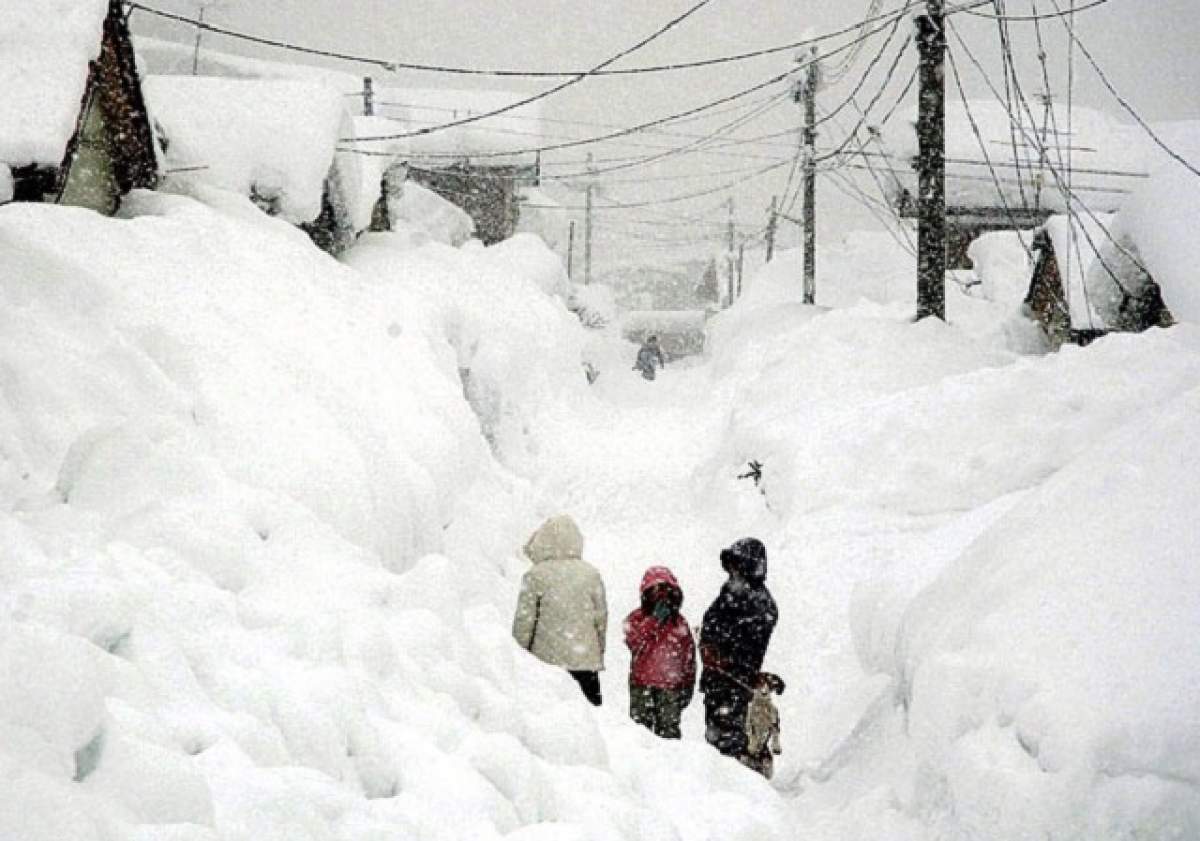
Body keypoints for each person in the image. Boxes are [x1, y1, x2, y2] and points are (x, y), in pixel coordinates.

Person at [512, 514, 608, 705]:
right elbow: (600, 619)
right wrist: (597, 650)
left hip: (546, 664)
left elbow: (525, 622)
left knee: (551, 719)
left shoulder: (535, 576)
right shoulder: (590, 575)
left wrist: (519, 656)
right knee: (591, 721)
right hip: (585, 663)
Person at [699, 537, 778, 762]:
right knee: (717, 738)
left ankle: (739, 786)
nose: (733, 571)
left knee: (733, 743)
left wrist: (721, 655)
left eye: (738, 565)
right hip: (718, 681)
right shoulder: (731, 592)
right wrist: (708, 643)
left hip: (736, 685)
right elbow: (713, 621)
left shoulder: (761, 604)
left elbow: (749, 646)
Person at [623, 566, 697, 739]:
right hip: (643, 685)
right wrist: (654, 621)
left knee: (668, 735)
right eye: (656, 591)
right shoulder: (637, 618)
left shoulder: (678, 623)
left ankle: (669, 765)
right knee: (641, 735)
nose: (661, 597)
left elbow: (688, 656)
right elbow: (634, 641)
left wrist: (687, 684)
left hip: (669, 687)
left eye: (666, 591)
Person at [744, 672, 785, 779]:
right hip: (749, 748)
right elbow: (748, 725)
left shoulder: (772, 710)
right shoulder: (749, 708)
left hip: (762, 749)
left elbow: (775, 728)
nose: (764, 688)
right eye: (760, 685)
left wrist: (776, 744)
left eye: (767, 685)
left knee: (766, 766)